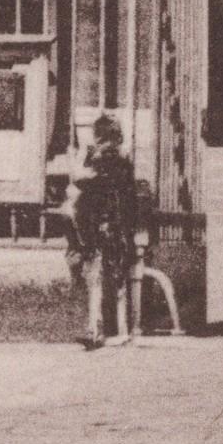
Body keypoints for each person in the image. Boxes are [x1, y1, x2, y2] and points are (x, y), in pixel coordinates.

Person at [60, 114, 141, 348]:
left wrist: (85, 158)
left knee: (103, 278)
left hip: (104, 225)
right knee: (113, 279)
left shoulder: (107, 160)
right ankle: (112, 330)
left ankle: (99, 330)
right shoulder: (119, 160)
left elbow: (80, 179)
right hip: (111, 226)